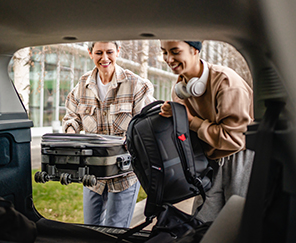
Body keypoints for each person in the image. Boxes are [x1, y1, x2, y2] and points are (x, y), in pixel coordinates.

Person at [62, 41, 155, 227]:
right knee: (90, 228)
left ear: (118, 52)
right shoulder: (82, 84)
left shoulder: (137, 84)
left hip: (124, 174)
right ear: (90, 53)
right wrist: (71, 134)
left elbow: (147, 126)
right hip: (93, 172)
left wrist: (131, 141)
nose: (104, 58)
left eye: (109, 52)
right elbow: (71, 117)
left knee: (115, 230)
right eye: (99, 53)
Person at [159, 40, 255, 222]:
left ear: (195, 50)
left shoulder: (226, 82)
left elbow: (234, 139)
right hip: (209, 162)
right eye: (164, 52)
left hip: (239, 158)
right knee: (200, 223)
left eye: (175, 51)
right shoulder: (180, 89)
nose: (169, 59)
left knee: (239, 222)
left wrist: (191, 121)